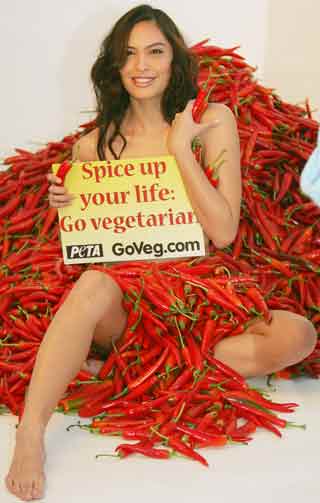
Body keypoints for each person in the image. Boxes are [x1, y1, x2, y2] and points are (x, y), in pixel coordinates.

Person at [5, 4, 317, 501]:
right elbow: (97, 253)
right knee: (93, 285)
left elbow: (223, 231)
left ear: (175, 60)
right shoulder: (92, 148)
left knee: (298, 333)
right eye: (128, 54)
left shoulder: (211, 120)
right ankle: (29, 433)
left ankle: (125, 371)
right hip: (129, 298)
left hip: (201, 291)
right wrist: (68, 208)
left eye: (155, 51)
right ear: (114, 65)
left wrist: (180, 151)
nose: (141, 65)